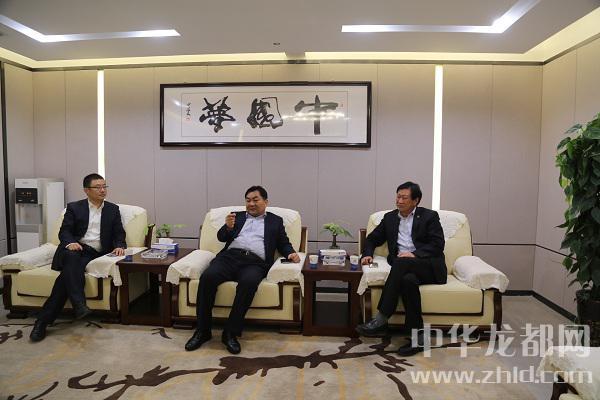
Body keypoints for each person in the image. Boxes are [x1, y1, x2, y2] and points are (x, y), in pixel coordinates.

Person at [185, 185, 300, 354]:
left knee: (249, 282)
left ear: (266, 202)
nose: (251, 204)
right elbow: (221, 237)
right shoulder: (235, 216)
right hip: (229, 257)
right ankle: (202, 331)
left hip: (255, 262)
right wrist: (228, 227)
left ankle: (230, 333)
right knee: (208, 277)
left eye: (255, 200)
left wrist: (290, 253)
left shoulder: (275, 221)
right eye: (248, 200)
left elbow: (283, 242)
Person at [29, 173, 126, 342]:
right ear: (86, 190)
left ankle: (42, 322)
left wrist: (119, 245)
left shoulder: (112, 209)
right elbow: (64, 231)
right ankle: (79, 305)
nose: (103, 190)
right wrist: (71, 243)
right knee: (72, 258)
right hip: (76, 249)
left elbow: (119, 232)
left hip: (96, 253)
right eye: (98, 187)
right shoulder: (74, 208)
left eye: (104, 186)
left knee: (66, 277)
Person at [356, 181, 446, 356]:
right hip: (405, 269)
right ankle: (418, 338)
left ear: (416, 200)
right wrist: (367, 254)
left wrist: (415, 254)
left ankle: (382, 318)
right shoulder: (390, 218)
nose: (399, 201)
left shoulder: (429, 216)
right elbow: (372, 239)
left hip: (428, 267)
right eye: (398, 197)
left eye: (404, 198)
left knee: (401, 261)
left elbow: (438, 244)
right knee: (407, 281)